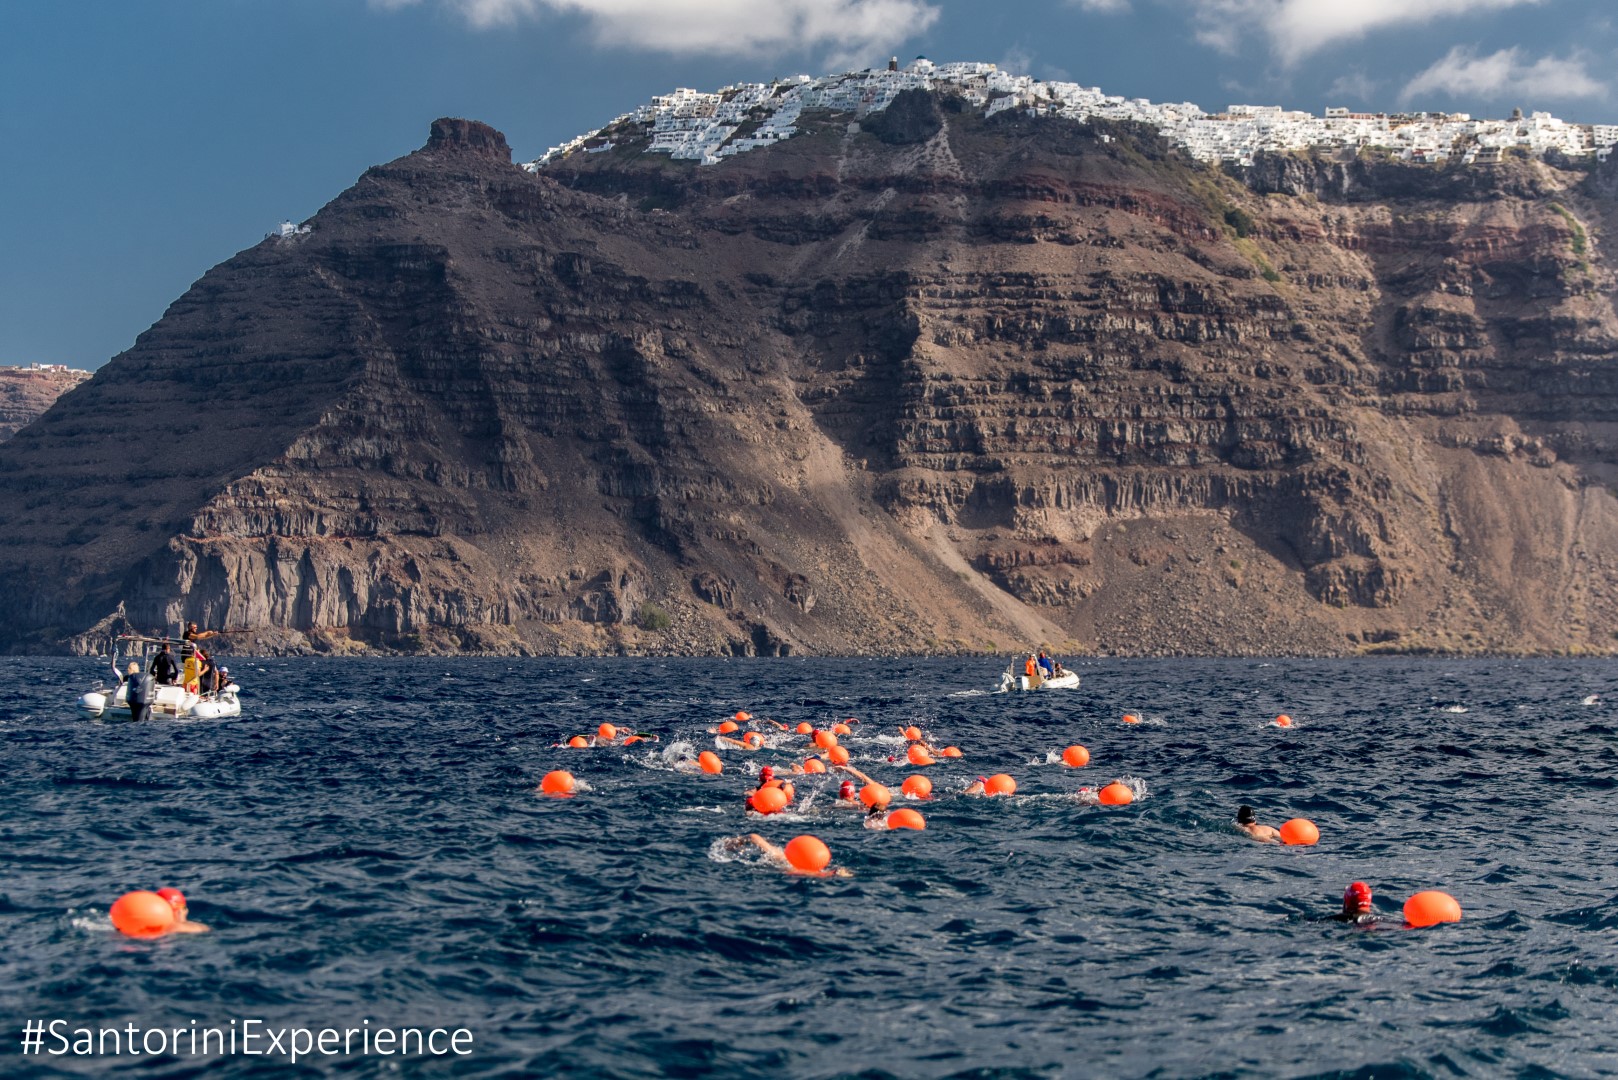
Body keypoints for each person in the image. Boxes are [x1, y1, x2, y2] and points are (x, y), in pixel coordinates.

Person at [731, 834, 852, 877]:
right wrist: (834, 874)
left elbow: (753, 837)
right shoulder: (783, 861)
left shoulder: (779, 856)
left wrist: (732, 843)